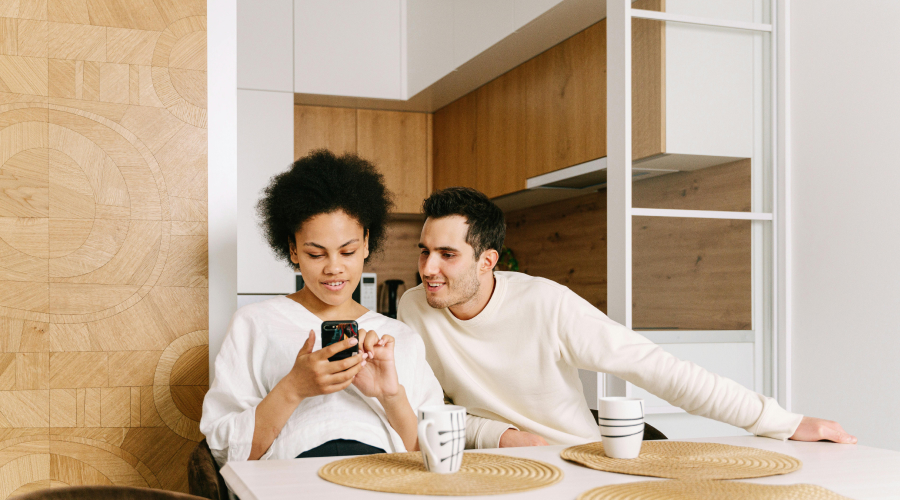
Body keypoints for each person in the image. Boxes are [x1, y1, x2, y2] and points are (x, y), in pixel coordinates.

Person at [398, 187, 856, 449]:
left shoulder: (546, 304)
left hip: (577, 462)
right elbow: (430, 412)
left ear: (487, 260)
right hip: (487, 466)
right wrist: (503, 438)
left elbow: (657, 368)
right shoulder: (413, 307)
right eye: (424, 251)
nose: (428, 269)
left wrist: (784, 422)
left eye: (446, 254)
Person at [200, 150, 443, 465]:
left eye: (348, 251)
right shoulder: (254, 324)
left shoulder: (399, 338)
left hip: (382, 481)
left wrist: (390, 395)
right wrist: (294, 388)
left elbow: (435, 456)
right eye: (316, 254)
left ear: (367, 242)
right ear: (293, 250)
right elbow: (224, 451)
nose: (334, 268)